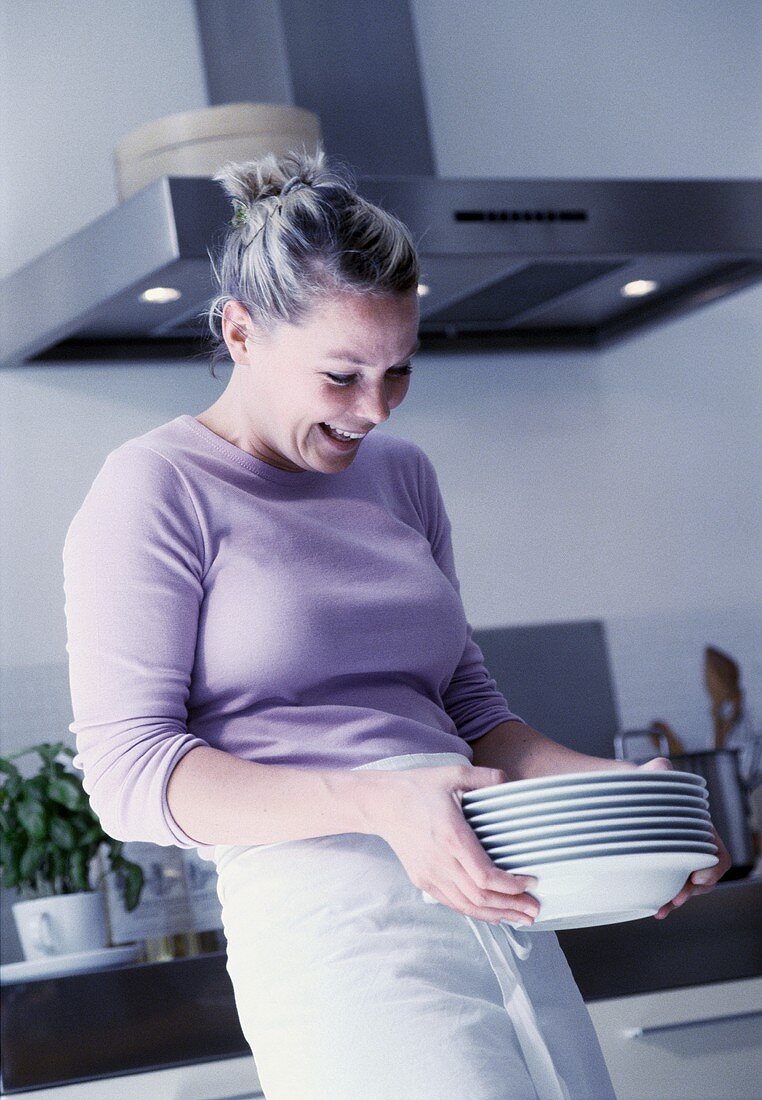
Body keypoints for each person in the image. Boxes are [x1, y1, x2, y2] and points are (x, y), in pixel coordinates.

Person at [62, 147, 730, 1100]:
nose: (374, 410)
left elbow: (469, 709)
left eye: (399, 371)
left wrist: (622, 798)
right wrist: (376, 802)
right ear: (241, 332)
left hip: (492, 894)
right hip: (332, 928)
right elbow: (128, 778)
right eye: (340, 376)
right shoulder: (153, 488)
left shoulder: (401, 476)